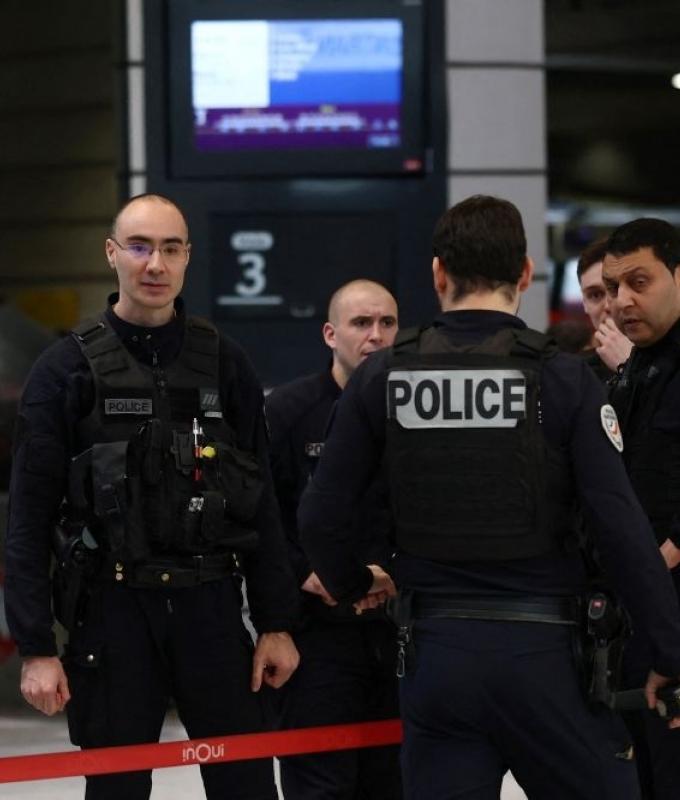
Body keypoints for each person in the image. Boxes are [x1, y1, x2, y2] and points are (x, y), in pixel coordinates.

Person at [298, 195, 680, 800]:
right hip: (547, 658)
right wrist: (668, 650)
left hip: (434, 658)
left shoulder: (385, 375)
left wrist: (354, 584)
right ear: (526, 273)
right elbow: (622, 528)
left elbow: (319, 516)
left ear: (437, 274)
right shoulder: (562, 377)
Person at [4, 193, 300, 800]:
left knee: (245, 783)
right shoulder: (64, 371)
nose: (154, 264)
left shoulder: (226, 363)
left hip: (213, 609)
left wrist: (276, 623)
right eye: (139, 247)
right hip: (113, 615)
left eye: (170, 248)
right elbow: (28, 521)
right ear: (112, 255)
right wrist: (36, 647)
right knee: (117, 791)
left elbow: (262, 503)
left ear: (188, 257)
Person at [266, 279, 402, 799]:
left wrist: (395, 574)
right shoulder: (288, 410)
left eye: (387, 323)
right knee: (319, 785)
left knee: (395, 782)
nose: (375, 336)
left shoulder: (415, 411)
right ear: (330, 334)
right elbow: (264, 517)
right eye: (361, 324)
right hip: (318, 632)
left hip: (395, 632)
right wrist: (306, 572)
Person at [604, 217, 680, 799]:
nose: (622, 301)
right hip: (638, 623)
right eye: (612, 287)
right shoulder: (634, 372)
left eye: (639, 281)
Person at [578, 237, 632, 378]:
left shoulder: (671, 365)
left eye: (616, 289)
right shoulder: (572, 373)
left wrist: (627, 365)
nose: (608, 306)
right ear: (584, 303)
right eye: (595, 295)